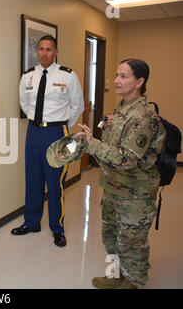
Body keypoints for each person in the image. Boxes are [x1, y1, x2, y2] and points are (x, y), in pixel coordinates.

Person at [77, 59, 165, 289]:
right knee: (111, 236)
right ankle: (116, 275)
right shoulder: (122, 110)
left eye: (124, 76)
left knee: (131, 242)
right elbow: (115, 144)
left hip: (135, 194)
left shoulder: (141, 117)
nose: (116, 80)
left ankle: (133, 282)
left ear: (140, 81)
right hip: (114, 188)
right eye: (117, 75)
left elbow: (126, 159)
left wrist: (91, 143)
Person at [12, 35, 84, 247]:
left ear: (56, 51)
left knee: (55, 183)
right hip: (33, 132)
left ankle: (57, 228)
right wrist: (37, 120)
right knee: (33, 179)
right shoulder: (28, 76)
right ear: (37, 51)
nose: (44, 53)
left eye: (49, 49)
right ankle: (32, 222)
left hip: (56, 132)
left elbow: (77, 106)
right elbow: (24, 104)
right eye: (41, 49)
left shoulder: (68, 76)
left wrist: (62, 125)